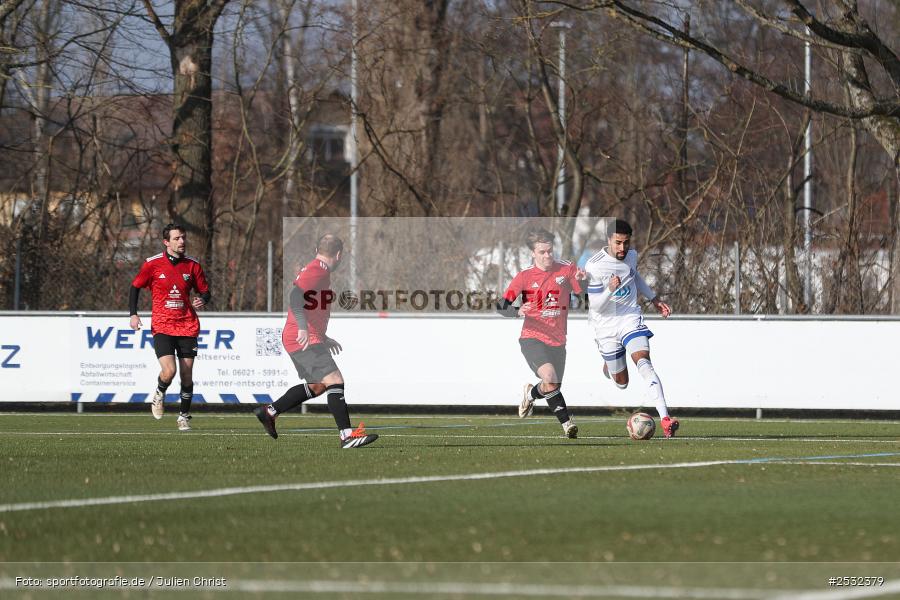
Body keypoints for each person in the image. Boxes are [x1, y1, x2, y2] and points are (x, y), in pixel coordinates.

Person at [254, 234, 378, 449]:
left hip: (306, 336)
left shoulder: (318, 269)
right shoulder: (318, 269)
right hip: (302, 337)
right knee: (335, 380)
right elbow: (295, 297)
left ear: (317, 248)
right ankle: (347, 436)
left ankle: (269, 412)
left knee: (318, 386)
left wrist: (323, 336)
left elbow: (309, 304)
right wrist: (303, 328)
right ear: (339, 255)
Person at [584, 219, 679, 438]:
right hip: (606, 326)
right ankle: (610, 366)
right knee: (622, 383)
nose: (622, 248)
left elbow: (634, 276)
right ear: (608, 240)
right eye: (617, 243)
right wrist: (609, 289)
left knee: (644, 362)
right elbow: (596, 305)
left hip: (629, 318)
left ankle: (665, 419)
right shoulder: (594, 265)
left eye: (626, 243)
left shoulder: (632, 256)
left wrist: (654, 299)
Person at [496, 228, 585, 438]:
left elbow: (584, 294)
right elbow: (501, 305)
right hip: (532, 337)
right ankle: (567, 424)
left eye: (550, 251)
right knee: (550, 378)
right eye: (542, 252)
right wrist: (518, 311)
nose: (547, 256)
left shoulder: (567, 269)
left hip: (558, 340)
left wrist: (582, 280)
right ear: (533, 253)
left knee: (551, 385)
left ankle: (530, 393)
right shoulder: (524, 277)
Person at [129, 224, 211, 431]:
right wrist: (133, 314)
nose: (182, 242)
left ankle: (183, 416)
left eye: (183, 238)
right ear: (166, 242)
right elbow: (135, 287)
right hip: (163, 325)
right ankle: (159, 393)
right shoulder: (152, 264)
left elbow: (205, 291)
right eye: (177, 238)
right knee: (169, 371)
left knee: (186, 374)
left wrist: (202, 299)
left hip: (187, 325)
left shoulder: (193, 265)